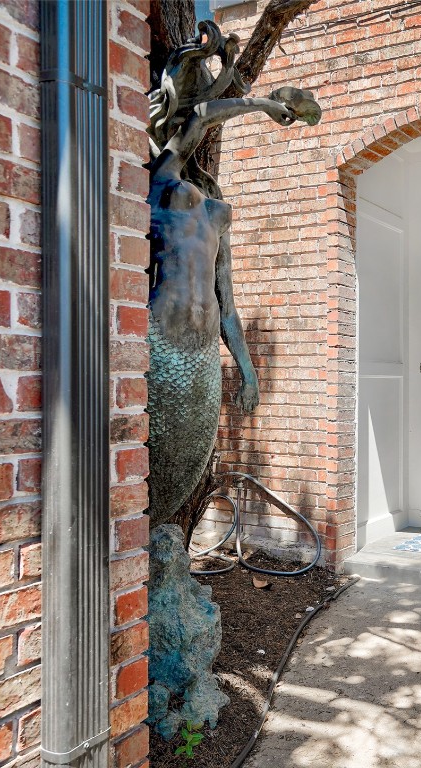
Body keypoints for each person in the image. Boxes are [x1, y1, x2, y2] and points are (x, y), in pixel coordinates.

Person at [145, 21, 320, 526]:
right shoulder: (161, 181)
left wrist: (245, 367)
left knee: (185, 460)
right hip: (161, 337)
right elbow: (199, 116)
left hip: (201, 350)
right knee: (155, 453)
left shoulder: (220, 213)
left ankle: (158, 554)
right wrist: (264, 105)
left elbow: (229, 303)